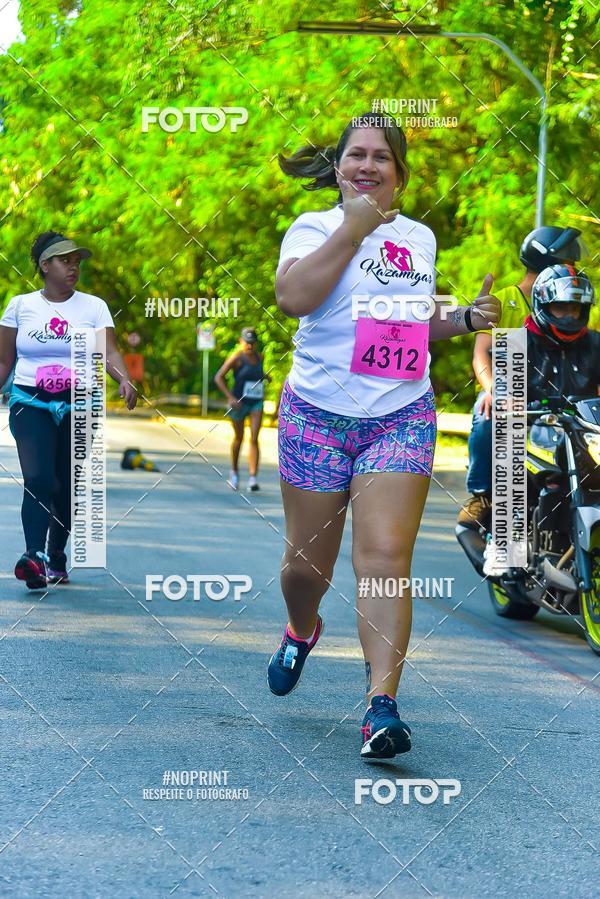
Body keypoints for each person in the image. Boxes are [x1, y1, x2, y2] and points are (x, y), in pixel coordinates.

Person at [268, 112, 501, 759]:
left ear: (400, 175)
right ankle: (301, 628)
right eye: (356, 155)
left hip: (399, 413)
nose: (368, 165)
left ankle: (381, 706)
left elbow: (407, 323)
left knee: (383, 559)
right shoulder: (313, 227)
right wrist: (353, 228)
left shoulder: (419, 239)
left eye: (382, 157)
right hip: (316, 412)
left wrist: (463, 318)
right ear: (339, 167)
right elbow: (294, 297)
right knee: (305, 568)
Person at [0, 231, 137, 589]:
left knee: (66, 487)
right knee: (39, 479)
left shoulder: (94, 307)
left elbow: (109, 352)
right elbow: (4, 361)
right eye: (65, 260)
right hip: (30, 402)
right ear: (45, 266)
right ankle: (33, 557)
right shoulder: (20, 306)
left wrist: (124, 380)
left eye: (76, 261)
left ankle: (56, 554)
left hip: (80, 404)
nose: (73, 266)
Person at [458, 226, 587, 532]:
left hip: (557, 394)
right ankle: (483, 494)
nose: (574, 265)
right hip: (511, 390)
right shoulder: (505, 300)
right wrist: (493, 390)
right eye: (570, 258)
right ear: (551, 259)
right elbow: (482, 355)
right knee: (486, 414)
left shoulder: (569, 302)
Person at [483, 263, 598, 576]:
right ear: (543, 306)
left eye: (575, 308)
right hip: (534, 429)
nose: (569, 316)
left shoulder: (596, 344)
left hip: (582, 433)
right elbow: (503, 387)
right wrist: (509, 403)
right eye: (560, 308)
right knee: (507, 445)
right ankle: (503, 541)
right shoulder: (517, 341)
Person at [214, 326, 269, 492]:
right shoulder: (236, 358)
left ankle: (253, 477)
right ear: (241, 341)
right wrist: (230, 397)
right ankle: (235, 472)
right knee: (239, 437)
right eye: (247, 342)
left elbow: (256, 375)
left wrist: (266, 377)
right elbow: (218, 377)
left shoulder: (260, 357)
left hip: (256, 402)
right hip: (239, 402)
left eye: (252, 343)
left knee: (254, 438)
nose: (250, 346)